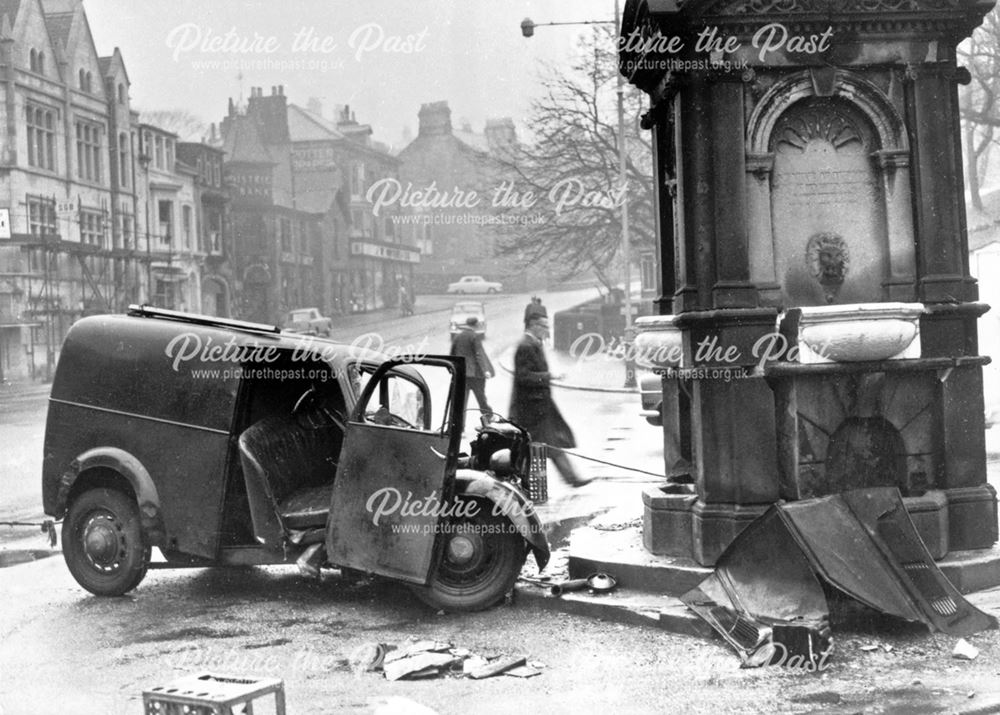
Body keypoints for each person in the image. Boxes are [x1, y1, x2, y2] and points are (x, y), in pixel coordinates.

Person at [509, 315, 591, 487]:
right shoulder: (526, 346)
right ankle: (530, 484)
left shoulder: (533, 344)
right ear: (533, 326)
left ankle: (568, 479)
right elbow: (523, 377)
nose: (548, 330)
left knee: (544, 445)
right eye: (544, 326)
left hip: (539, 406)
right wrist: (549, 376)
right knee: (537, 447)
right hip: (531, 408)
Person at [450, 316, 494, 417]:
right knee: (481, 400)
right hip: (475, 375)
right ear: (476, 325)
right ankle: (489, 418)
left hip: (462, 375)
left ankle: (460, 428)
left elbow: (452, 355)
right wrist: (486, 370)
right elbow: (479, 354)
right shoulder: (474, 337)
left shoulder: (457, 337)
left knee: (462, 403)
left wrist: (453, 370)